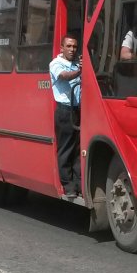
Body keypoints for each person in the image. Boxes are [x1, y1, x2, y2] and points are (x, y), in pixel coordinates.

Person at [49, 33, 82, 198]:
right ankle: (68, 186)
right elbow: (63, 76)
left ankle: (78, 184)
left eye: (74, 46)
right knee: (66, 149)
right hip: (64, 111)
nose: (72, 49)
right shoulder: (56, 64)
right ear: (62, 48)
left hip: (77, 110)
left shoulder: (76, 63)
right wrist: (79, 71)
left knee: (78, 149)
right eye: (68, 46)